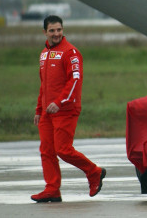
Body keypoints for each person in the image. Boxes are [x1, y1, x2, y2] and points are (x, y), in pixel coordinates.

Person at [32, 15, 105, 203]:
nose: (56, 34)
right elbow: (44, 85)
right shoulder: (43, 54)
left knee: (63, 149)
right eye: (52, 31)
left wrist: (60, 102)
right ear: (45, 32)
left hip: (65, 109)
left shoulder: (71, 52)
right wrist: (39, 109)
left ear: (62, 30)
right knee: (46, 150)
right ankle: (52, 189)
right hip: (48, 112)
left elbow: (75, 80)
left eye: (59, 30)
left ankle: (94, 172)